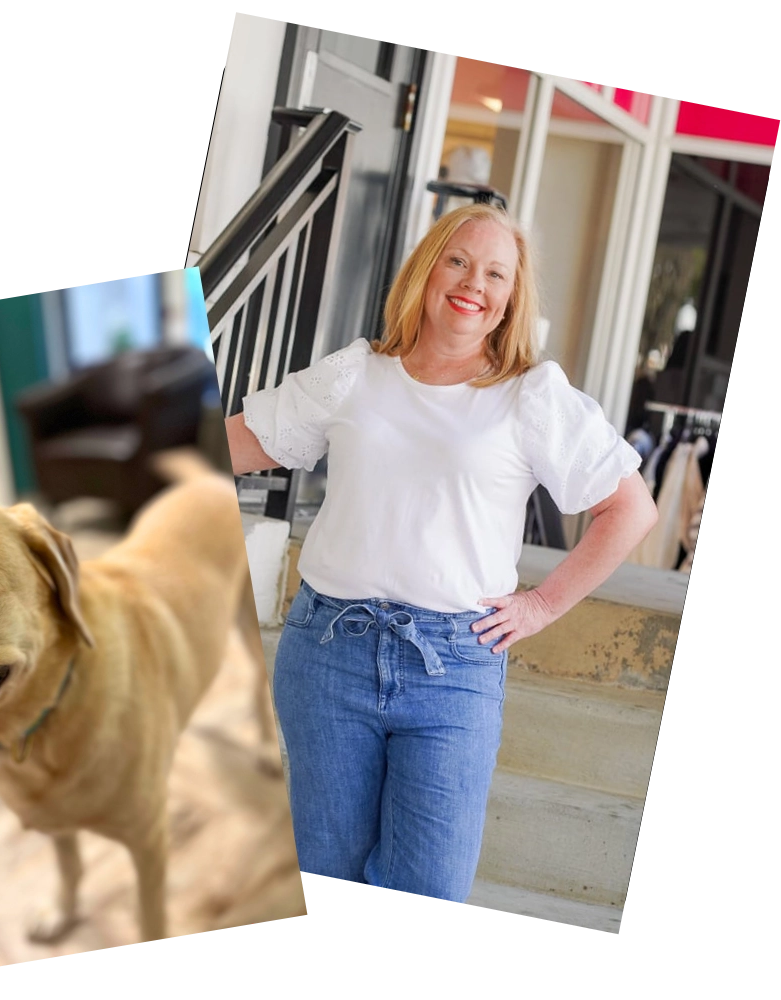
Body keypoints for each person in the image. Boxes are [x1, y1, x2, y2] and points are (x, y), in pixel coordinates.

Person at [223, 203, 659, 903]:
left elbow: (629, 508)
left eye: (495, 273)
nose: (472, 283)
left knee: (428, 884)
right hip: (327, 650)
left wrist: (543, 604)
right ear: (427, 272)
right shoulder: (355, 374)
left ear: (511, 298)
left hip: (452, 667)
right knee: (327, 874)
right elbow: (229, 446)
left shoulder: (529, 396)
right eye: (457, 261)